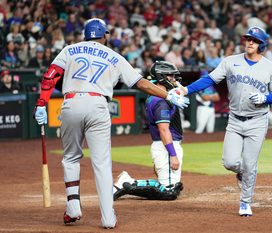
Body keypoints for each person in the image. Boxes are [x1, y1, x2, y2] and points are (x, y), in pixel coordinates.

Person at [32, 18, 189, 229]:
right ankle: (108, 218)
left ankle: (73, 207)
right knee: (102, 164)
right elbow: (141, 83)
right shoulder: (115, 56)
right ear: (104, 35)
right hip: (98, 104)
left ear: (85, 35)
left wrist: (42, 104)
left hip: (70, 103)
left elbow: (50, 77)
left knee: (70, 158)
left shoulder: (69, 50)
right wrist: (168, 95)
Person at [177, 26, 272, 217]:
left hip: (257, 121)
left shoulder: (270, 67)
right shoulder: (230, 61)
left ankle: (245, 202)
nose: (250, 42)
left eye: (255, 40)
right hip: (235, 120)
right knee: (230, 162)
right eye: (248, 39)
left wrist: (265, 98)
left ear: (262, 44)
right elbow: (209, 80)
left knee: (251, 164)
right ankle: (242, 172)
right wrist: (185, 90)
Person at [113, 61, 184, 201]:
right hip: (166, 146)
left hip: (163, 146)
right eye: (170, 76)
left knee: (171, 185)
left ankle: (126, 182)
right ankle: (127, 184)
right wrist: (173, 155)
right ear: (161, 77)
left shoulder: (160, 97)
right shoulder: (161, 101)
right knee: (169, 192)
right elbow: (164, 130)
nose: (174, 79)